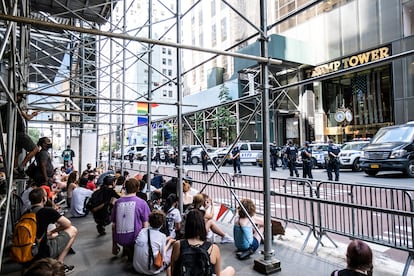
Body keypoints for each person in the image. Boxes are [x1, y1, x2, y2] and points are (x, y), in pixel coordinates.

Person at [170, 209, 235, 276]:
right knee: (230, 269)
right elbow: (217, 274)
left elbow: (173, 271)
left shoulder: (178, 244)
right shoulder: (213, 248)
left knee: (168, 269)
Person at [28, 187, 77, 273]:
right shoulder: (47, 211)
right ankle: (59, 265)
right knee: (73, 230)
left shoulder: (26, 213)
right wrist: (52, 232)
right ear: (44, 199)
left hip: (28, 252)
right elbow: (67, 224)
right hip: (43, 252)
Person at [0, 94, 39, 177]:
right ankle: (21, 167)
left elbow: (27, 117)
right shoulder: (13, 106)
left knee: (17, 153)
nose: (20, 99)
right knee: (35, 149)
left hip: (12, 134)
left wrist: (32, 115)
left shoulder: (12, 107)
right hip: (19, 133)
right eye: (19, 97)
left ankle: (14, 171)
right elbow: (27, 118)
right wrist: (32, 115)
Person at [112, 178, 151, 260]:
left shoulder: (117, 202)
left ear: (125, 188)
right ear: (138, 188)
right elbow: (145, 224)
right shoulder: (142, 203)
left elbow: (114, 224)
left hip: (119, 238)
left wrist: (114, 245)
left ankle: (126, 249)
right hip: (135, 239)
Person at [133, 210, 175, 275]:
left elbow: (152, 240)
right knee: (172, 249)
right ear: (162, 224)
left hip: (137, 267)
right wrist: (169, 242)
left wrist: (167, 238)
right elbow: (163, 255)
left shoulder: (142, 231)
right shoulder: (162, 236)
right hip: (151, 270)